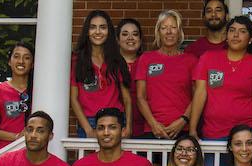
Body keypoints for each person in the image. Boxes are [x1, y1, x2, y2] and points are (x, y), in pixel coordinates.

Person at [190, 15, 252, 144]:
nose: (236, 35)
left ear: (250, 39)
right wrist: (192, 129)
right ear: (226, 36)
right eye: (232, 30)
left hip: (245, 133)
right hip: (213, 133)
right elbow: (200, 93)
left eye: (242, 31)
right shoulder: (208, 58)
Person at [70, 10, 133, 139]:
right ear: (87, 31)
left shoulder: (116, 59)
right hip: (89, 122)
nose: (98, 32)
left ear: (109, 31)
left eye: (102, 27)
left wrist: (128, 127)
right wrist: (88, 129)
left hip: (115, 121)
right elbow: (74, 99)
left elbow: (127, 99)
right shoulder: (76, 60)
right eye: (93, 27)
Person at [135, 10, 196, 140]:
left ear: (179, 32)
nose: (169, 32)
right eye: (164, 28)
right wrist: (153, 124)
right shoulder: (146, 59)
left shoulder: (191, 60)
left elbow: (197, 96)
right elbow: (140, 97)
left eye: (173, 27)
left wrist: (183, 120)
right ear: (158, 32)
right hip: (153, 130)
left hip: (182, 130)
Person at [0, 41, 34, 151]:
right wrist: (16, 137)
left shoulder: (39, 90)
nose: (21, 61)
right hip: (7, 151)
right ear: (9, 61)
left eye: (27, 58)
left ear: (33, 64)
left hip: (34, 151)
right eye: (16, 57)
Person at [116, 18, 148, 137]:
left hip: (144, 124)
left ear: (140, 40)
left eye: (135, 34)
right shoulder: (109, 64)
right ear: (118, 40)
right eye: (125, 34)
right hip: (117, 123)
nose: (130, 38)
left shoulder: (148, 63)